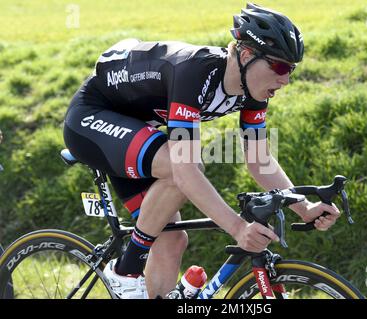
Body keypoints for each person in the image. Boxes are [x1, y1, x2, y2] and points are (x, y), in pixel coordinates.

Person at [63, 3, 340, 299]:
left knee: (171, 241)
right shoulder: (194, 72)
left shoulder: (253, 92)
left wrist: (304, 207)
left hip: (137, 133)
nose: (286, 80)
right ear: (246, 55)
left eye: (292, 69)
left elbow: (260, 162)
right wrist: (236, 228)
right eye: (280, 67)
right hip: (91, 119)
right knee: (180, 165)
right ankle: (124, 270)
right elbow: (183, 170)